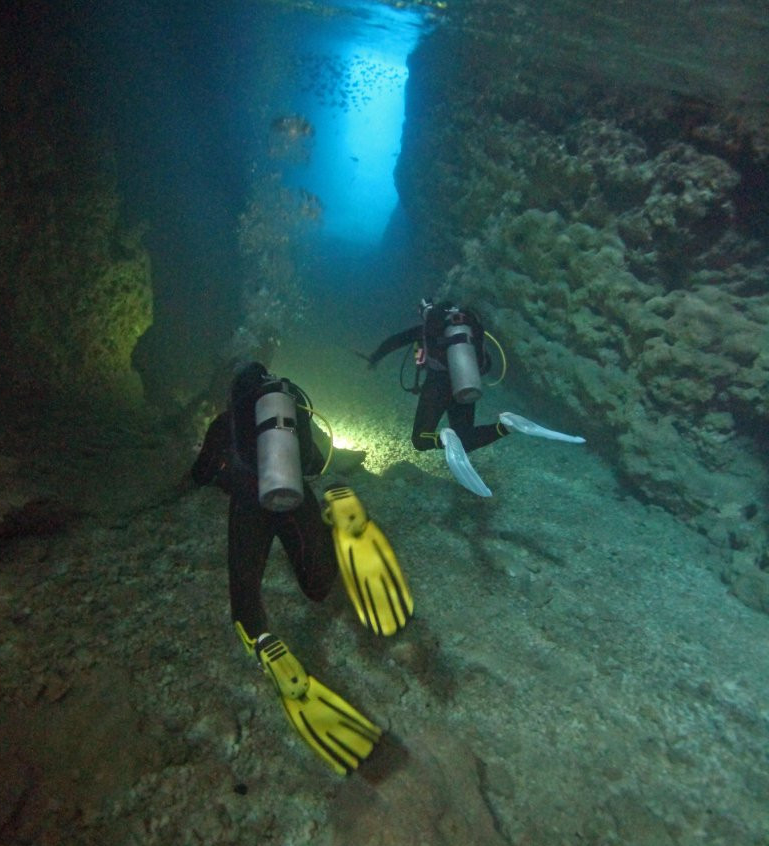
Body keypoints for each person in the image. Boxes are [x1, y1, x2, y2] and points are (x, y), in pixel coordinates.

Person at [191, 361, 413, 775]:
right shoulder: (293, 411)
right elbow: (312, 463)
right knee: (316, 586)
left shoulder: (227, 422)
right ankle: (344, 528)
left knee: (245, 592)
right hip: (297, 501)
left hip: (248, 507)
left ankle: (267, 649)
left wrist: (219, 475)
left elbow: (200, 474)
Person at [364, 298, 586, 497]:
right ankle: (507, 426)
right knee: (466, 439)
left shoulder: (428, 329)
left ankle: (443, 438)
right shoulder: (470, 328)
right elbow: (486, 363)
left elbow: (394, 341)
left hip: (438, 385)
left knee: (420, 440)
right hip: (466, 385)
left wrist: (374, 358)